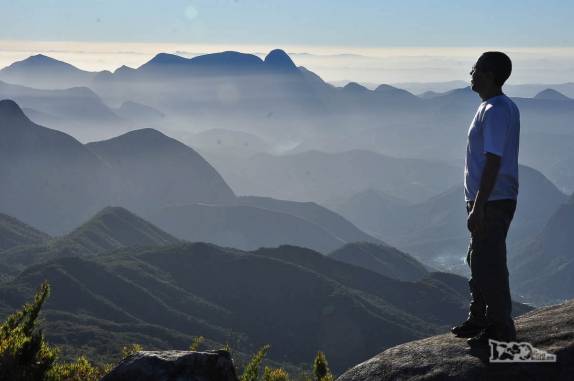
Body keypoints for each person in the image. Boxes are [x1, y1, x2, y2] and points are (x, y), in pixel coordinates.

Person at [450, 51, 520, 346]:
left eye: (475, 70)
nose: (471, 75)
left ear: (489, 74)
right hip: (491, 198)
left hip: (491, 200)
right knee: (477, 258)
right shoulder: (496, 107)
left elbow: (493, 160)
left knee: (487, 261)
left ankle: (500, 326)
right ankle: (479, 316)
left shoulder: (495, 111)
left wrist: (478, 206)